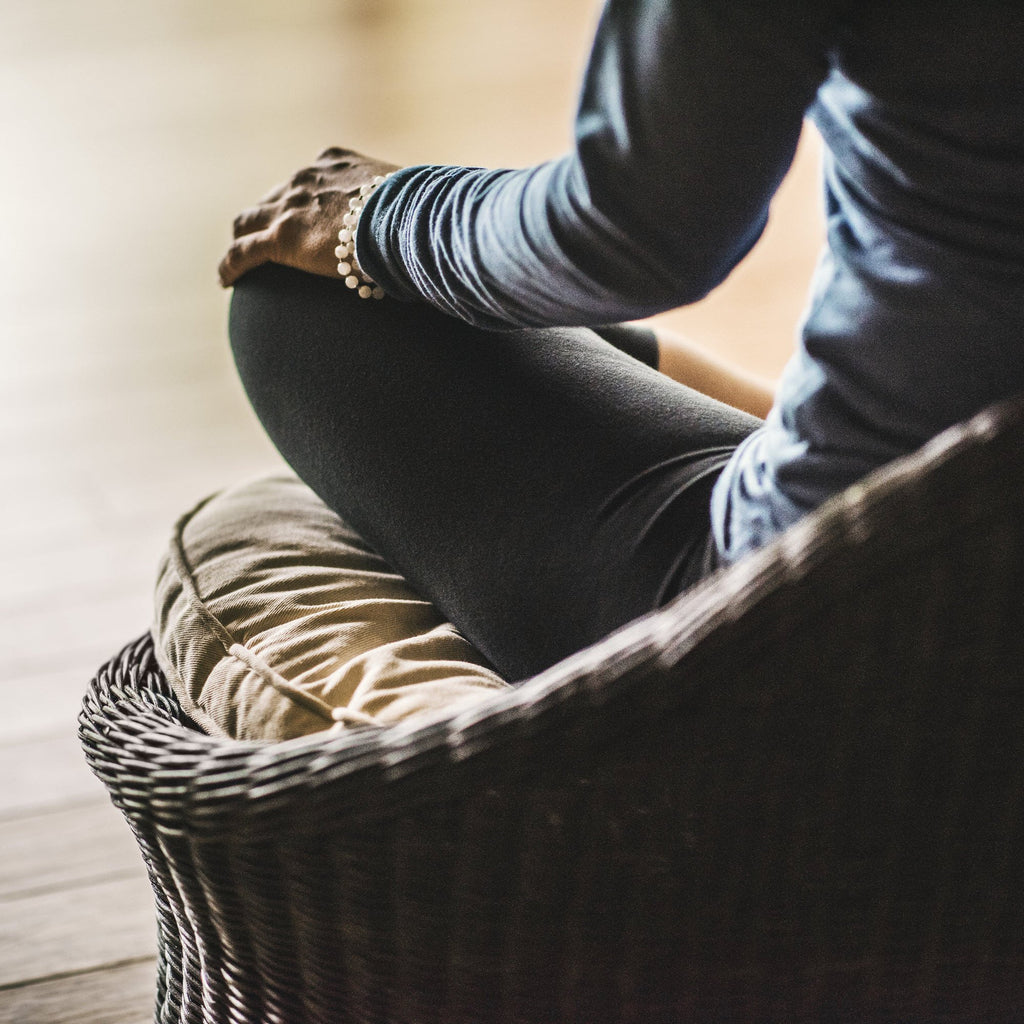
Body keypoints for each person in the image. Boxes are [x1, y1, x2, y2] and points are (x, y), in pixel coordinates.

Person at [218, 0, 1024, 683]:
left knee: (297, 301)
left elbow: (638, 231)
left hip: (852, 591)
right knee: (525, 316)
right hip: (974, 467)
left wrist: (379, 217)